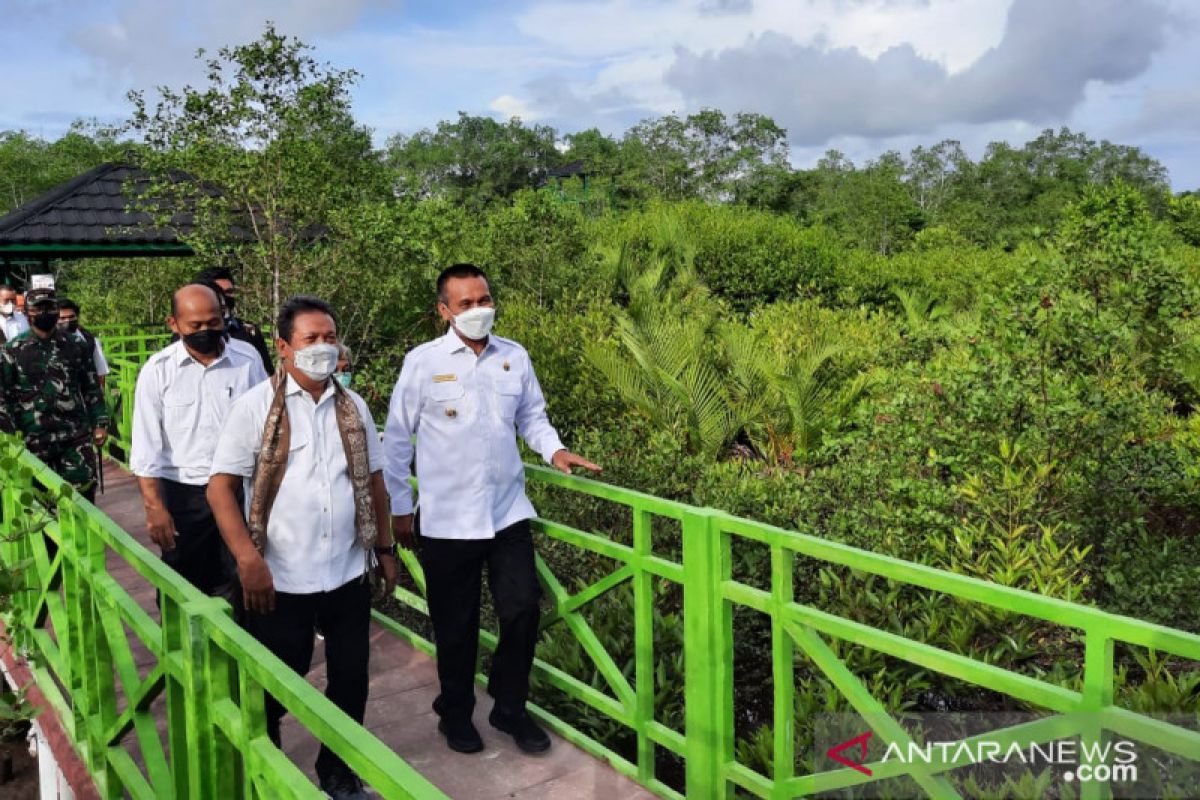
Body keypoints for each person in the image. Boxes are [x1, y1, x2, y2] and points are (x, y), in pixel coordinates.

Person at [383, 263, 600, 755]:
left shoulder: (514, 357)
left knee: (522, 612)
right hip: (446, 520)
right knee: (455, 626)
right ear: (444, 311)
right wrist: (399, 511)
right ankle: (455, 712)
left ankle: (509, 708)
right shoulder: (422, 362)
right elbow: (397, 441)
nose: (480, 310)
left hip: (506, 515)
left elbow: (532, 417)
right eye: (466, 304)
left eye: (484, 300)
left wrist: (555, 451)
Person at [207, 295, 396, 800]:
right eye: (310, 339)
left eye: (330, 337)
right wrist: (248, 560)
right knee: (278, 676)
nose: (323, 348)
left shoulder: (352, 406)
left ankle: (337, 770)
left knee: (351, 678)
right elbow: (220, 488)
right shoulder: (254, 407)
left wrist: (387, 548)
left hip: (347, 570)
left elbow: (375, 480)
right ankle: (264, 755)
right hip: (281, 575)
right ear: (284, 347)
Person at [130, 284, 267, 598]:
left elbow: (266, 420)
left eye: (214, 322)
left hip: (239, 488)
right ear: (174, 324)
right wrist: (154, 507)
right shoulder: (158, 372)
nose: (206, 330)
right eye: (196, 326)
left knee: (241, 574)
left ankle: (239, 644)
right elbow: (146, 446)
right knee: (183, 581)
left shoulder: (247, 360)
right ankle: (180, 647)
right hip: (185, 493)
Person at [0, 288, 108, 501]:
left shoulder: (76, 345)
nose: (44, 313)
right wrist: (12, 438)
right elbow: (4, 399)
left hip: (74, 436)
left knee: (83, 497)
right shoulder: (13, 351)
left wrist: (100, 422)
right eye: (38, 308)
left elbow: (91, 387)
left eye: (50, 307)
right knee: (43, 502)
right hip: (34, 440)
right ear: (28, 313)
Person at [194, 266, 274, 375]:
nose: (225, 298)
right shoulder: (190, 334)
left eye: (229, 292)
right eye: (219, 292)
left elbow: (266, 374)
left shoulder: (249, 332)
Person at [56, 298, 110, 390]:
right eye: (62, 318)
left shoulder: (90, 340)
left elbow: (101, 372)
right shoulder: (49, 341)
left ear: (77, 316)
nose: (67, 321)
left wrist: (100, 396)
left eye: (71, 317)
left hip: (83, 396)